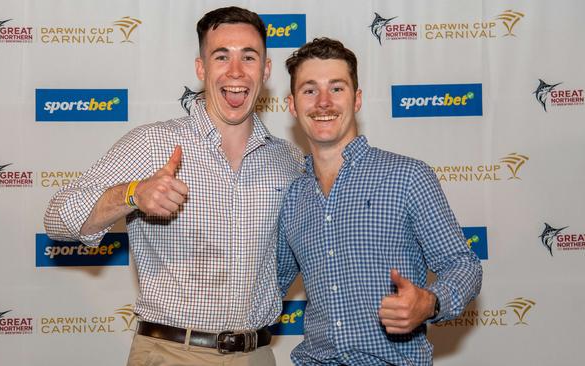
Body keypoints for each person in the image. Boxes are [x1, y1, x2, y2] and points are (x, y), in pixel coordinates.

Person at [44, 7, 303, 366]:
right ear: (201, 69)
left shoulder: (288, 159)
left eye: (249, 57)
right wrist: (132, 193)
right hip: (171, 354)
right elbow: (58, 219)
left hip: (257, 354)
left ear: (266, 70)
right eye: (221, 56)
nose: (236, 71)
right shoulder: (153, 144)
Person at [277, 38, 482, 366]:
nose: (324, 102)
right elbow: (268, 284)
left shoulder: (408, 176)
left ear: (357, 99)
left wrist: (429, 302)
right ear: (292, 104)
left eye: (337, 88)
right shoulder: (291, 195)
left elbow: (463, 264)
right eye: (310, 90)